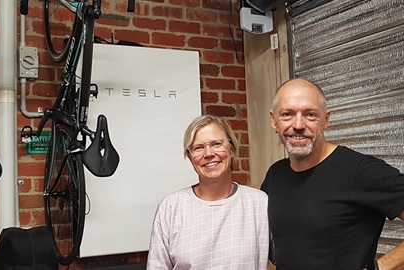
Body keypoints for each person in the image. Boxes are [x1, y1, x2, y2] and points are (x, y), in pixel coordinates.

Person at [262, 78, 404, 269]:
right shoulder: (275, 175)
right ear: (274, 121)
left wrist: (380, 267)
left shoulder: (359, 171)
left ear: (326, 119)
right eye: (287, 114)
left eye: (310, 115)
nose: (297, 125)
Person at [147, 115, 269, 270]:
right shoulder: (171, 207)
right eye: (198, 148)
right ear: (190, 158)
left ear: (231, 149)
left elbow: (290, 254)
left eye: (217, 144)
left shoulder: (259, 203)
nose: (209, 153)